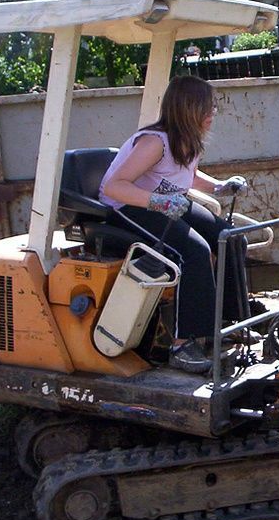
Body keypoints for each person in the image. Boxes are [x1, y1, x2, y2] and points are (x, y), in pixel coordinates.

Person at [99, 75, 248, 374]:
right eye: (208, 108)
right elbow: (113, 186)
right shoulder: (155, 142)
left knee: (230, 238)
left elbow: (184, 177)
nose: (213, 114)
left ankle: (229, 322)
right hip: (131, 206)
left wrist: (219, 187)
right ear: (189, 109)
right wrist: (158, 203)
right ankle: (183, 344)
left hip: (169, 203)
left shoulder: (186, 139)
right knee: (194, 251)